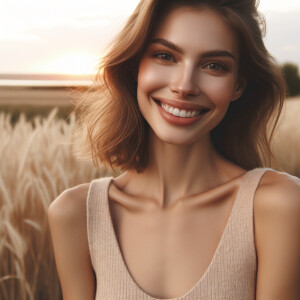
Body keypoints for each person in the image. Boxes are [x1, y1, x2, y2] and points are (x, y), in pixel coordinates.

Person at [48, 0, 300, 299]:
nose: (184, 85)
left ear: (238, 86)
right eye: (165, 56)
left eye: (214, 65)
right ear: (135, 68)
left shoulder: (280, 205)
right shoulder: (76, 214)